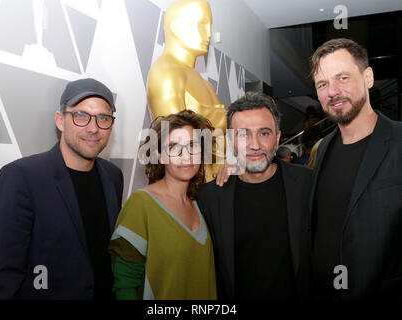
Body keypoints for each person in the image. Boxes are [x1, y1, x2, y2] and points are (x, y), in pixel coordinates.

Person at [0, 78, 124, 300]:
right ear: (60, 120)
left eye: (103, 118)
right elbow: (2, 278)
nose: (93, 128)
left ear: (111, 125)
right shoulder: (21, 177)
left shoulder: (113, 177)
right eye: (80, 115)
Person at [309, 38, 402, 299]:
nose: (333, 92)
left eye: (342, 78)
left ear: (368, 77)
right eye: (323, 84)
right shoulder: (323, 148)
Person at [198, 92, 313, 300]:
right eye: (243, 135)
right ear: (231, 141)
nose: (255, 145)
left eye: (264, 133)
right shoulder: (210, 198)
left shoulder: (307, 184)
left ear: (277, 139)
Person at [109, 110, 217, 300]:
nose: (186, 156)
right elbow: (124, 281)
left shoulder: (203, 204)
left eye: (192, 145)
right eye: (174, 147)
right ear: (159, 155)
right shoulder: (141, 204)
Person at [147, 0, 226, 180]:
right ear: (176, 26)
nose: (208, 34)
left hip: (214, 188)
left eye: (210, 26)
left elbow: (219, 149)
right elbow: (177, 148)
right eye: (201, 24)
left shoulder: (204, 83)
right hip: (192, 191)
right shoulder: (166, 74)